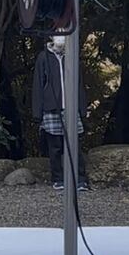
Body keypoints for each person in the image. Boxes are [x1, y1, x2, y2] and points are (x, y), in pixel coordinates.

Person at [31, 34, 90, 191]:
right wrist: (37, 112)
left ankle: (80, 179)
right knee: (55, 147)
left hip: (71, 106)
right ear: (51, 36)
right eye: (58, 33)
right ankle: (58, 179)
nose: (61, 37)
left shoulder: (72, 56)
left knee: (74, 145)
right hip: (51, 107)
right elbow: (38, 84)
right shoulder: (43, 57)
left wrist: (82, 108)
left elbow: (79, 83)